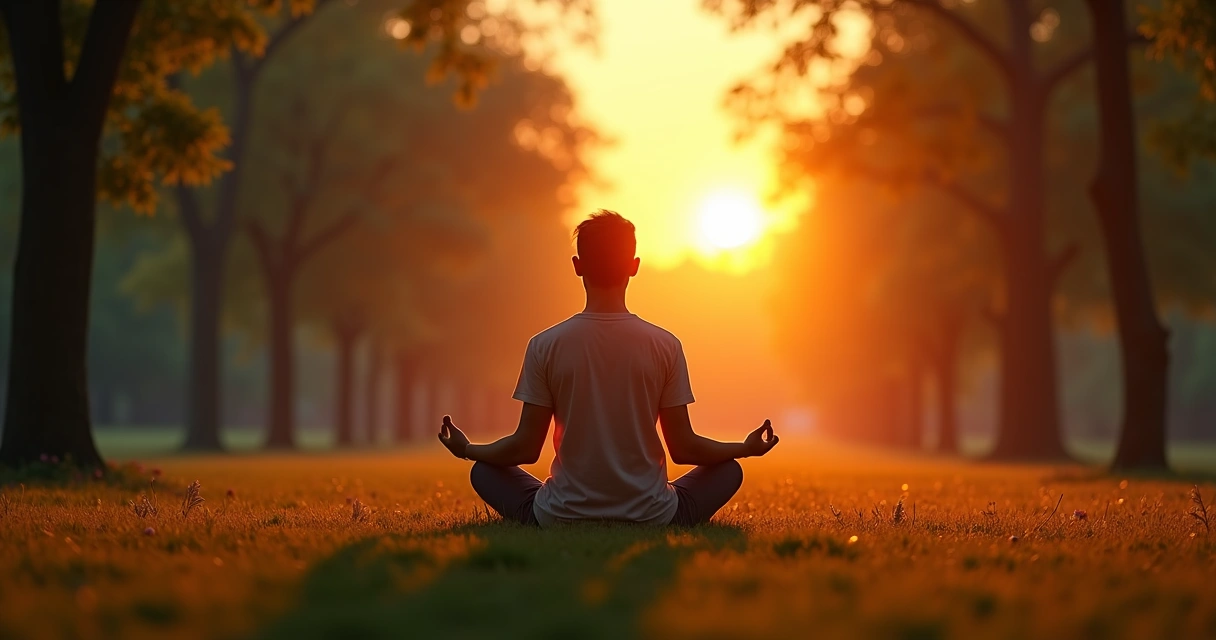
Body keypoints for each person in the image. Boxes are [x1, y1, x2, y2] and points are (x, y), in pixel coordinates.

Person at [437, 210, 780, 526]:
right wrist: (744, 448)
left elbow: (525, 448)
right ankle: (649, 506)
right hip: (652, 514)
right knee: (728, 471)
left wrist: (467, 450)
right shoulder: (664, 345)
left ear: (577, 265)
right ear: (634, 266)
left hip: (560, 514)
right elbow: (684, 448)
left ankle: (558, 510)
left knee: (484, 471)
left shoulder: (545, 344)